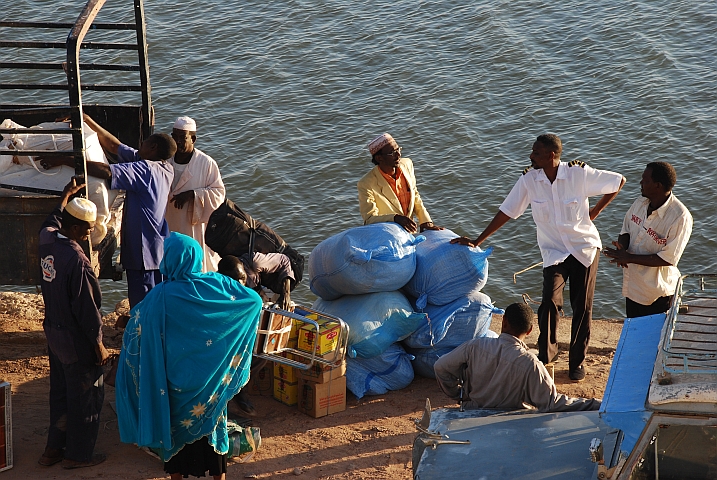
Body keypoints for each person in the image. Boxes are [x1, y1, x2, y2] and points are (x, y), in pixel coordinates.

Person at [451, 134, 625, 381]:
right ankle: (547, 356)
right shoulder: (529, 180)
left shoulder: (578, 174)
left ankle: (577, 362)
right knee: (549, 302)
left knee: (582, 307)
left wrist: (594, 211)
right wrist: (478, 240)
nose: (531, 156)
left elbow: (618, 181)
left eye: (536, 152)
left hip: (583, 248)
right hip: (554, 251)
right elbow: (507, 211)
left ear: (551, 156)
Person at [115, 233, 263, 480]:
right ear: (195, 259)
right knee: (214, 441)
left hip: (173, 387)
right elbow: (253, 301)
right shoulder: (213, 285)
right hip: (209, 387)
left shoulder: (158, 296)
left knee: (176, 446)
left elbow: (135, 330)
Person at [41, 114, 176, 308]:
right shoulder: (164, 168)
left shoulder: (144, 169)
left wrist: (65, 160)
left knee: (143, 303)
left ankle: (143, 336)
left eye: (144, 143)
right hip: (158, 247)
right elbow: (115, 146)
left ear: (153, 148)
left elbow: (106, 171)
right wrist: (86, 119)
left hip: (142, 251)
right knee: (158, 300)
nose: (140, 146)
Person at [37, 178, 110, 469]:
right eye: (89, 229)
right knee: (86, 395)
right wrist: (99, 345)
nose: (91, 233)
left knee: (61, 393)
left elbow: (51, 217)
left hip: (54, 335)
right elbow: (87, 309)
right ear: (77, 229)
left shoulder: (47, 239)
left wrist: (66, 195)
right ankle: (78, 455)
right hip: (76, 339)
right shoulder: (77, 260)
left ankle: (52, 450)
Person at [434, 303, 601, 412]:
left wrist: (458, 395)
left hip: (473, 411)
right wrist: (596, 404)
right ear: (529, 331)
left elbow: (440, 366)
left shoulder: (475, 346)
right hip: (511, 423)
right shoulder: (531, 363)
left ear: (503, 322)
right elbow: (552, 403)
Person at [604, 162, 692, 318]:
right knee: (634, 332)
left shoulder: (680, 217)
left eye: (645, 180)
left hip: (657, 293)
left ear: (657, 186)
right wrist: (622, 248)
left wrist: (628, 257)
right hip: (633, 287)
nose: (641, 183)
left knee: (655, 338)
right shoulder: (640, 202)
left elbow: (668, 259)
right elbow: (626, 230)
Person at [166, 116, 226, 272]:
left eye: (182, 137)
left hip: (194, 225)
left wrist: (193, 195)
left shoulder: (206, 163)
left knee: (196, 264)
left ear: (193, 139)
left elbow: (219, 194)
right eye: (174, 137)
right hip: (170, 221)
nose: (177, 142)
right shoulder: (165, 160)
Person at [358, 133, 443, 233]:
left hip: (410, 233)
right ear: (379, 158)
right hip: (388, 236)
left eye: (398, 149)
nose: (398, 155)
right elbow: (369, 219)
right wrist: (395, 218)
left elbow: (414, 194)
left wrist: (425, 221)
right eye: (392, 153)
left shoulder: (407, 164)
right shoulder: (366, 184)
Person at [217, 253, 294, 310]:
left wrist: (286, 294)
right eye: (235, 281)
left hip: (278, 280)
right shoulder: (220, 282)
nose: (241, 283)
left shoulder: (255, 262)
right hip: (255, 288)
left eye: (242, 277)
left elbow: (284, 260)